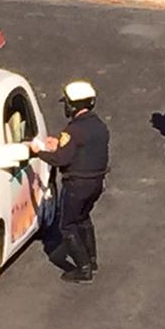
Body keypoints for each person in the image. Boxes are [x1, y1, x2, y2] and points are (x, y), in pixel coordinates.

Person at [30, 80, 110, 284]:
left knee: (67, 225)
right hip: (96, 183)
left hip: (77, 185)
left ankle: (83, 268)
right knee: (83, 218)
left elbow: (61, 160)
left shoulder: (73, 130)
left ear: (72, 105)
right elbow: (83, 150)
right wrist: (59, 144)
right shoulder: (99, 126)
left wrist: (39, 152)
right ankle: (92, 259)